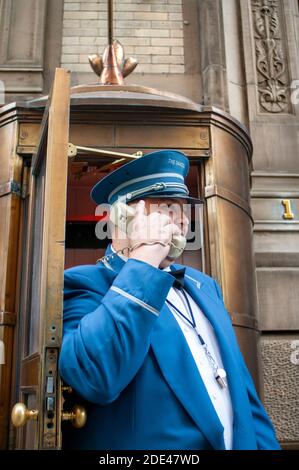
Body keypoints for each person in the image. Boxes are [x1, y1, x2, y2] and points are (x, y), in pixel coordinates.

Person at [59, 150, 280, 450]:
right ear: (124, 217)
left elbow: (244, 396)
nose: (182, 222)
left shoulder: (204, 286)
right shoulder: (84, 283)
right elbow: (94, 376)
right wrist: (144, 261)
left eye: (184, 209)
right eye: (167, 208)